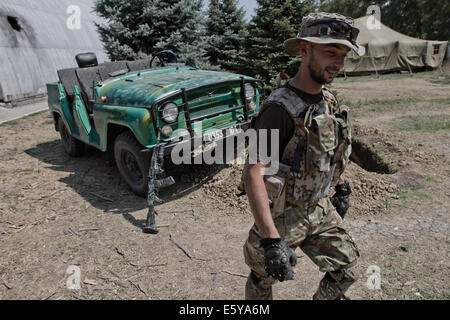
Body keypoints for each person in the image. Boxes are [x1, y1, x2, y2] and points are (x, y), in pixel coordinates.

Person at [242, 12, 366, 300]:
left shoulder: (329, 101)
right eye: (331, 52)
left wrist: (341, 185)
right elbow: (253, 173)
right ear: (304, 49)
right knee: (263, 279)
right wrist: (272, 241)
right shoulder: (279, 109)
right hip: (284, 215)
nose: (338, 62)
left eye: (344, 54)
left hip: (319, 207)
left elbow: (332, 149)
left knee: (347, 268)